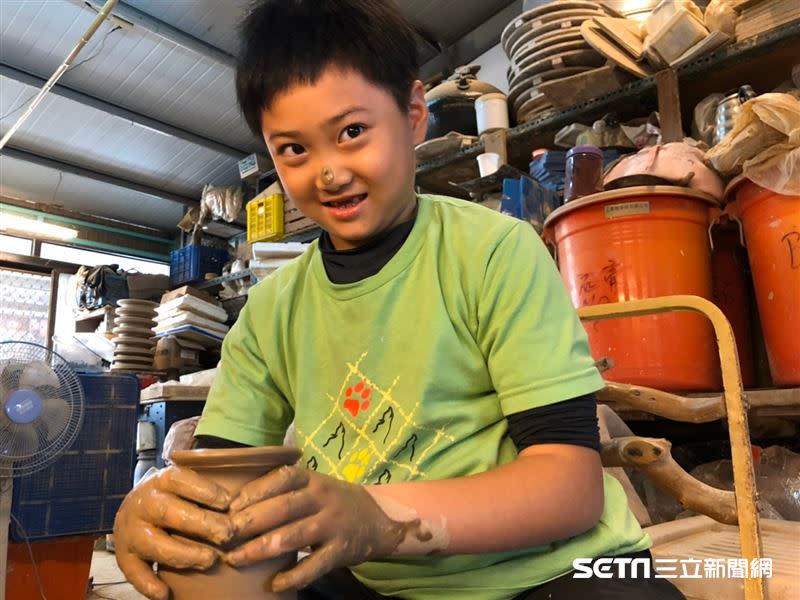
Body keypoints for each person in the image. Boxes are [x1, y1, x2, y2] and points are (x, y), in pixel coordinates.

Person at [113, 2, 685, 599]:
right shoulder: (270, 312)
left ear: (414, 115)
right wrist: (152, 507)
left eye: (352, 132)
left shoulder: (494, 252)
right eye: (293, 150)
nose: (328, 172)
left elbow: (570, 489)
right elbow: (216, 488)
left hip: (552, 569)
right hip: (378, 578)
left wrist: (374, 518)